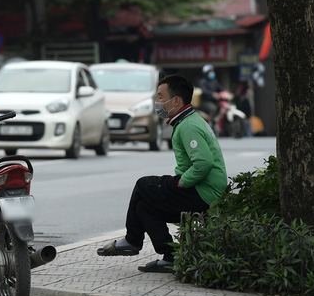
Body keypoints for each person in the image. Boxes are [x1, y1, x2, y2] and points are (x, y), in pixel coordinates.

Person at [97, 73, 227, 273]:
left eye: (160, 96)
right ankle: (171, 256)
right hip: (201, 191)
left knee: (143, 184)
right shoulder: (188, 120)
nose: (157, 102)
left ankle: (132, 240)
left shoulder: (189, 126)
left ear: (175, 100)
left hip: (203, 193)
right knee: (144, 207)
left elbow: (203, 163)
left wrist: (181, 182)